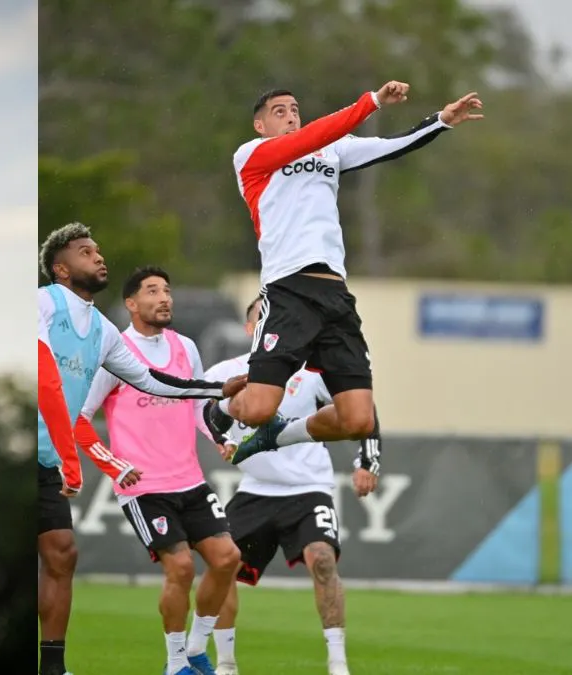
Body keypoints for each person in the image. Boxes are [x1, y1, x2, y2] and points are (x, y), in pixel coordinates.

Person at [208, 81, 482, 465]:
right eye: (279, 112)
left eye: (294, 109)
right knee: (256, 409)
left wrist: (441, 121)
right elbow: (320, 133)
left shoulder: (330, 149)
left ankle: (278, 436)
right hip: (289, 290)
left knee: (357, 419)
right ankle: (219, 411)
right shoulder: (251, 156)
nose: (291, 116)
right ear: (259, 126)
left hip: (334, 294)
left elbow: (390, 146)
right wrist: (370, 102)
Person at [37, 223, 240, 675]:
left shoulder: (131, 338)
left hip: (186, 478)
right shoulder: (45, 303)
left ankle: (195, 650)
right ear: (61, 269)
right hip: (143, 486)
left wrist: (219, 400)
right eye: (86, 252)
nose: (164, 297)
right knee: (181, 568)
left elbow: (162, 385)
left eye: (167, 290)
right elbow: (72, 408)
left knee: (228, 559)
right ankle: (174, 664)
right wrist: (109, 464)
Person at [200, 297, 383, 675]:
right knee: (222, 568)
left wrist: (366, 460)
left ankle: (337, 663)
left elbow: (361, 410)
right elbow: (202, 413)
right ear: (253, 329)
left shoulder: (309, 370)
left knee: (322, 559)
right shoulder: (226, 372)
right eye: (262, 320)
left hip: (308, 487)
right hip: (257, 488)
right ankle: (227, 663)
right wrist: (220, 436)